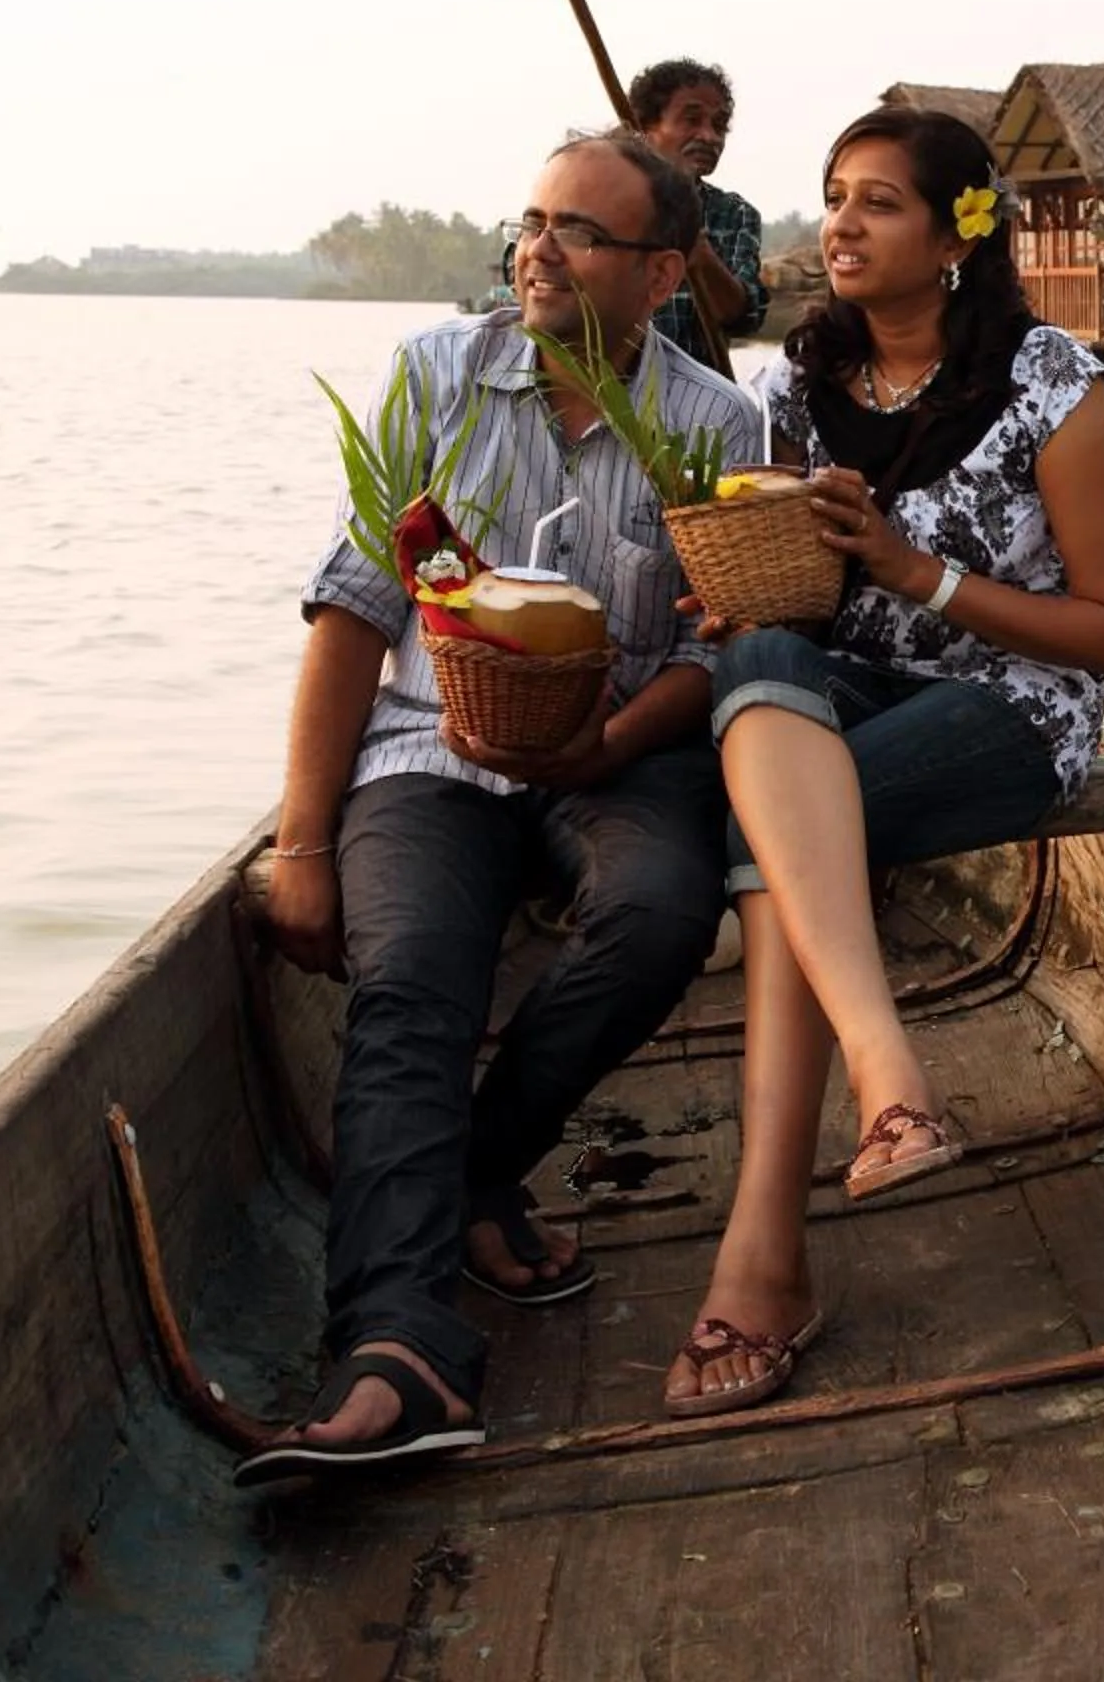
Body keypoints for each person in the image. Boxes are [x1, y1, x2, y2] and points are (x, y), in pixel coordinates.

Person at [241, 130, 764, 1484]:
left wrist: (604, 749)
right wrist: (302, 843)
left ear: (659, 274)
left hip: (623, 752)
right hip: (427, 746)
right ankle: (396, 1348)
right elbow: (357, 615)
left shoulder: (715, 423)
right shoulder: (437, 377)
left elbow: (716, 648)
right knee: (409, 973)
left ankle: (468, 1167)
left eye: (577, 233)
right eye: (530, 223)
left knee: (660, 915)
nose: (536, 249)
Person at [660, 106, 1104, 1418]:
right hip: (848, 691)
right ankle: (890, 1086)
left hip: (1015, 699)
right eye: (834, 196)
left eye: (878, 201)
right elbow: (791, 610)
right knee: (760, 664)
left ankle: (763, 1256)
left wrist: (912, 569)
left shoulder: (1053, 383)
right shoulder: (796, 387)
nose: (842, 224)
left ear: (955, 235)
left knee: (776, 840)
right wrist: (745, 582)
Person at [631, 57, 767, 372]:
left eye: (718, 125)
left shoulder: (734, 214)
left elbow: (745, 318)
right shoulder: (600, 198)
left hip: (696, 412)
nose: (710, 136)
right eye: (691, 120)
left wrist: (701, 258)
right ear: (645, 128)